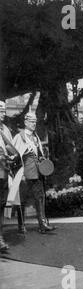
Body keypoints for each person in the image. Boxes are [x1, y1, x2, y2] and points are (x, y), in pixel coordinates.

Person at [12, 112, 55, 234]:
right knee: (22, 201)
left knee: (39, 198)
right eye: (31, 121)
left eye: (35, 121)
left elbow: (39, 154)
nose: (34, 124)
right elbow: (13, 155)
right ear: (25, 122)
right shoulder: (19, 137)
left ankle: (43, 225)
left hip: (37, 173)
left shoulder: (35, 137)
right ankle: (21, 226)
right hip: (24, 174)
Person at [0, 100, 19, 252]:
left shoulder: (5, 129)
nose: (3, 113)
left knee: (1, 205)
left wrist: (12, 157)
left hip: (3, 172)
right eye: (0, 110)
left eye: (4, 110)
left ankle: (0, 237)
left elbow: (11, 148)